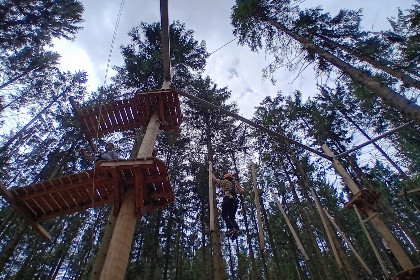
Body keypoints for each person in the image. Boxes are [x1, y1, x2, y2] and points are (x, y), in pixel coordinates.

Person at [212, 170, 245, 239]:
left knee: (224, 215)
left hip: (227, 199)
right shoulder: (235, 184)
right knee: (232, 217)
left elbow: (215, 181)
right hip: (235, 201)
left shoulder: (226, 182)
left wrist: (212, 174)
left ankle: (231, 228)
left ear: (226, 178)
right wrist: (241, 188)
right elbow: (242, 191)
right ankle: (237, 229)